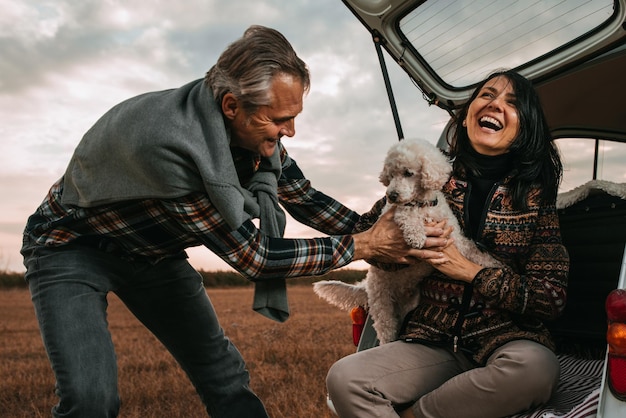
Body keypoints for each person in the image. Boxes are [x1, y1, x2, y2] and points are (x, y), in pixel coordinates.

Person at [20, 25, 429, 418]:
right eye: (279, 119)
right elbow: (256, 257)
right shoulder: (172, 150)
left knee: (224, 375)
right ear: (232, 105)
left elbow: (304, 198)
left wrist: (378, 220)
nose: (291, 130)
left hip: (152, 253)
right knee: (90, 400)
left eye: (294, 115)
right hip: (70, 248)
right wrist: (366, 245)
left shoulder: (254, 135)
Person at [326, 69, 569, 418]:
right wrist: (404, 251)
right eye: (486, 95)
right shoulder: (425, 173)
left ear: (525, 126)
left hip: (505, 339)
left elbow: (551, 298)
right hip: (432, 340)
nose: (495, 104)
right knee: (345, 378)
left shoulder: (536, 199)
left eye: (511, 103)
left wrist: (469, 270)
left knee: (536, 370)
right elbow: (370, 236)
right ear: (469, 112)